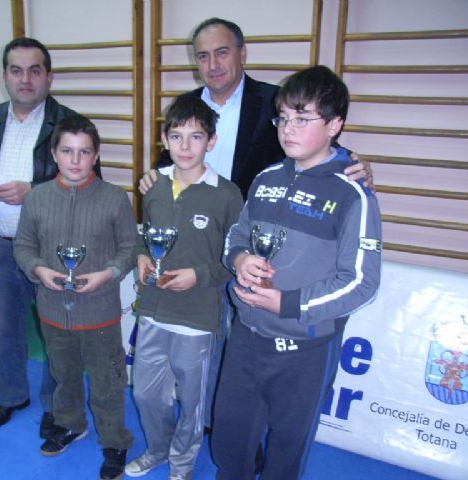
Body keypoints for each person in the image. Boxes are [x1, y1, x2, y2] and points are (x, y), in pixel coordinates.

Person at [139, 17, 374, 435]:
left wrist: (355, 164)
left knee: (242, 348)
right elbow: (171, 160)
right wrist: (151, 177)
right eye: (203, 56)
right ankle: (216, 426)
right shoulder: (187, 105)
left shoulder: (273, 103)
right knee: (211, 349)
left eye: (222, 52)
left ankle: (234, 430)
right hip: (203, 247)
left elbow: (318, 143)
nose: (213, 64)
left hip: (260, 251)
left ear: (242, 53)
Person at [212, 65, 382, 480]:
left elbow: (361, 282)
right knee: (229, 443)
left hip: (304, 351)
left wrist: (288, 303)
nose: (288, 129)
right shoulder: (265, 178)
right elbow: (237, 234)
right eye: (283, 117)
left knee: (286, 451)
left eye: (303, 119)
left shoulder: (353, 194)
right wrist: (239, 259)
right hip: (246, 338)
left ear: (334, 125)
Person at [0, 38, 100, 435]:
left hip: (52, 250)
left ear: (49, 77)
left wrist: (34, 190)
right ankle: (11, 395)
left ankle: (56, 406)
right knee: (5, 331)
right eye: (16, 70)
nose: (25, 79)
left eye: (34, 70)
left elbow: (92, 186)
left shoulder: (70, 124)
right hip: (0, 246)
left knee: (57, 334)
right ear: (4, 76)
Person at [126, 96, 244, 480]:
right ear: (165, 139)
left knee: (192, 400)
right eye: (176, 136)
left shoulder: (227, 194)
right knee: (145, 392)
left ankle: (182, 462)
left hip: (198, 315)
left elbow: (236, 257)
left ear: (211, 141)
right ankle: (158, 449)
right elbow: (145, 236)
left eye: (196, 137)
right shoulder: (154, 185)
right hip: (153, 308)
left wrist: (199, 275)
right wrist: (141, 257)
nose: (185, 146)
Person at [13, 114, 136, 480]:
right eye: (67, 151)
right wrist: (38, 270)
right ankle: (70, 424)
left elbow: (130, 248)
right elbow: (23, 246)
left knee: (107, 381)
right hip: (53, 310)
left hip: (99, 311)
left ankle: (114, 440)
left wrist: (108, 273)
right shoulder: (37, 198)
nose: (76, 160)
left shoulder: (114, 199)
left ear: (96, 156)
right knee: (63, 375)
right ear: (54, 154)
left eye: (84, 152)